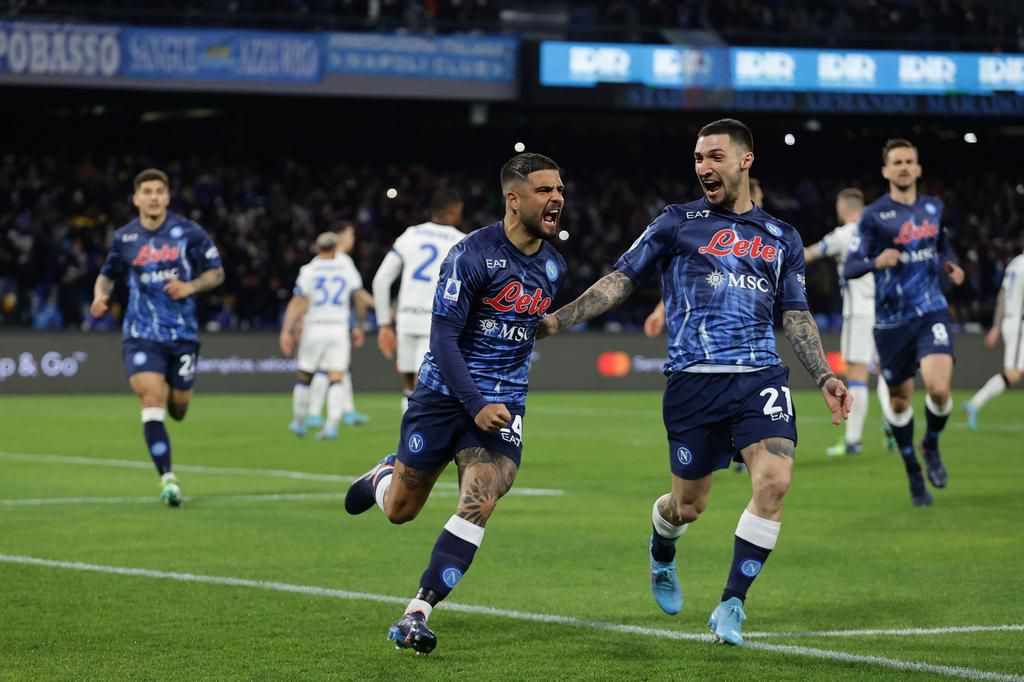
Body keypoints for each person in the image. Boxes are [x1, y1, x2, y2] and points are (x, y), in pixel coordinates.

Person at [540, 119, 850, 647]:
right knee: (689, 506)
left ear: (745, 160)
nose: (704, 167)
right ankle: (662, 547)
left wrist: (823, 375)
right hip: (693, 382)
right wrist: (558, 319)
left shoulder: (782, 237)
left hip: (759, 376)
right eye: (698, 158)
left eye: (714, 156)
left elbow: (796, 314)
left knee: (774, 482)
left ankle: (732, 603)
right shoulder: (676, 223)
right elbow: (622, 279)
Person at [344, 153, 566, 655]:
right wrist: (473, 400)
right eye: (545, 190)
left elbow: (531, 327)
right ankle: (382, 477)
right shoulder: (471, 254)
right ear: (514, 199)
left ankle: (416, 613)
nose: (557, 199)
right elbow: (442, 337)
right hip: (444, 396)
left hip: (504, 405)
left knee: (481, 497)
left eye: (560, 190)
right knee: (402, 510)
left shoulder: (553, 265)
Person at [90, 168, 225, 507]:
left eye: (158, 191)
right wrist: (99, 296)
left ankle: (174, 405)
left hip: (182, 334)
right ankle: (168, 478)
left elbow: (216, 272)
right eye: (146, 191)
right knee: (151, 400)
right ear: (136, 198)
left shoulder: (187, 232)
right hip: (141, 334)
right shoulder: (124, 239)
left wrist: (190, 286)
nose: (153, 196)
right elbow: (107, 276)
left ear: (167, 197)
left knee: (178, 408)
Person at [844, 138, 965, 507]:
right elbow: (851, 266)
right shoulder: (873, 216)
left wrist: (951, 264)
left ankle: (929, 445)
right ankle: (913, 469)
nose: (903, 167)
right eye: (896, 162)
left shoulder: (933, 207)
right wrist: (876, 262)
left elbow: (942, 245)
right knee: (898, 403)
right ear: (886, 171)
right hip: (891, 321)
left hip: (931, 310)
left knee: (940, 390)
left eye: (909, 161)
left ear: (918, 168)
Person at [803, 188, 892, 456]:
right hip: (884, 311)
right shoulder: (878, 232)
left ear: (843, 208)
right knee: (884, 370)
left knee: (857, 374)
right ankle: (894, 423)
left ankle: (853, 440)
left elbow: (811, 254)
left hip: (859, 313)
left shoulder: (844, 234)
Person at [372, 189, 465, 412]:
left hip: (406, 320)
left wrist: (384, 324)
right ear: (453, 212)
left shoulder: (410, 235)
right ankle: (421, 443)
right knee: (430, 390)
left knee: (408, 386)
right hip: (437, 324)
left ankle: (408, 442)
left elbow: (380, 280)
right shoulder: (461, 242)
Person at [279, 231, 372, 440]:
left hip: (314, 326)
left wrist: (286, 330)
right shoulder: (346, 265)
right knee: (336, 377)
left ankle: (299, 422)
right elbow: (358, 297)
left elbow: (298, 302)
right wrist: (358, 325)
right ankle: (331, 426)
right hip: (338, 328)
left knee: (304, 376)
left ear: (317, 248)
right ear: (335, 247)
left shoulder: (308, 270)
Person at [305, 222, 371, 429]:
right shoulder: (343, 262)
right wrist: (376, 308)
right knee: (330, 368)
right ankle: (315, 413)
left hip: (320, 322)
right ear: (341, 237)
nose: (353, 239)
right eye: (351, 235)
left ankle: (344, 410)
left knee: (336, 368)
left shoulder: (319, 261)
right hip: (331, 323)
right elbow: (358, 295)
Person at [964, 244, 1024, 428]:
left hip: (1011, 321)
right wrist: (996, 327)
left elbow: (1002, 296)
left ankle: (974, 404)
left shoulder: (1014, 263)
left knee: (1018, 372)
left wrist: (997, 326)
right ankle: (974, 403)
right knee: (1012, 374)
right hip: (1019, 323)